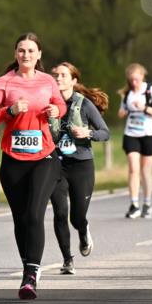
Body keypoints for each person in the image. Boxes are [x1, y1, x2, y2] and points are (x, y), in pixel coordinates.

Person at [0, 33, 65, 300]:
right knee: (21, 218)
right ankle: (28, 264)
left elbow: (60, 104)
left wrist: (56, 111)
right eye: (21, 50)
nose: (26, 55)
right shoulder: (4, 82)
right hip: (13, 159)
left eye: (30, 50)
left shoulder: (48, 81)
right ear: (15, 53)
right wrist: (10, 111)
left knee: (35, 213)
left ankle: (30, 275)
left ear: (39, 55)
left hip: (44, 156)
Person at [48, 62, 110, 274]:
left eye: (63, 75)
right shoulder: (47, 103)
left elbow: (105, 132)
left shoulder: (84, 104)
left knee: (77, 217)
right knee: (59, 212)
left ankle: (83, 231)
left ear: (73, 80)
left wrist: (88, 133)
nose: (58, 78)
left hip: (81, 165)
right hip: (55, 165)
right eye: (55, 75)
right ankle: (67, 260)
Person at [118, 63, 152, 219]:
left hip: (148, 134)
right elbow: (121, 112)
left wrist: (144, 107)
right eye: (131, 80)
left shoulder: (150, 90)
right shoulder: (127, 93)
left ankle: (147, 203)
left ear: (142, 76)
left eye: (136, 80)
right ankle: (134, 204)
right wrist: (123, 111)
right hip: (131, 133)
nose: (134, 83)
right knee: (133, 168)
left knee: (145, 171)